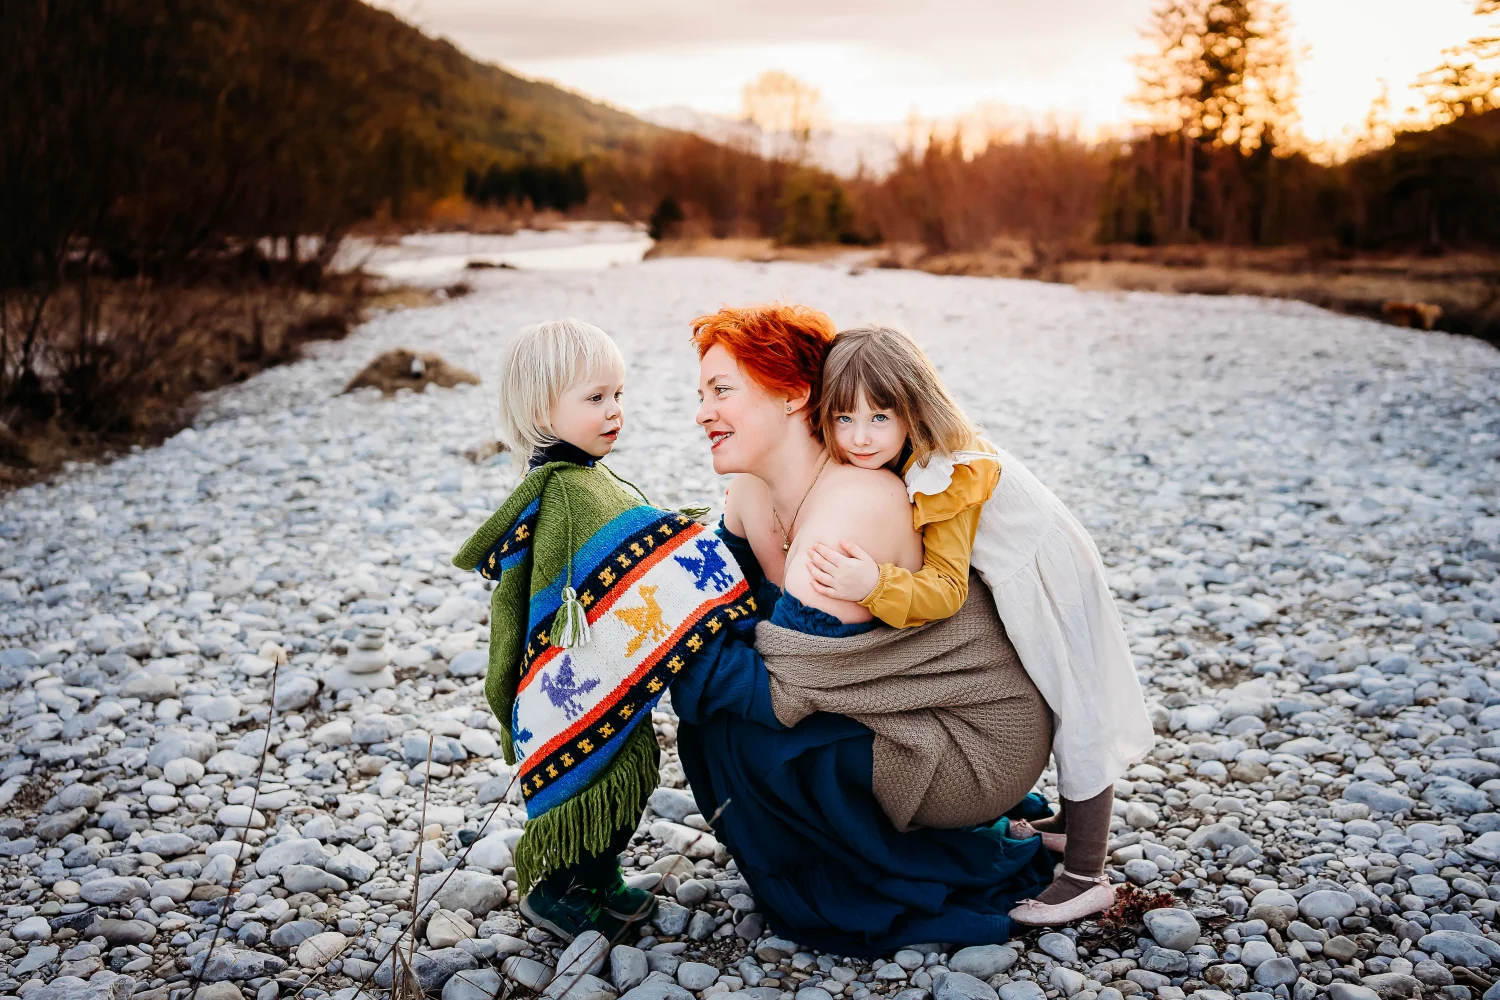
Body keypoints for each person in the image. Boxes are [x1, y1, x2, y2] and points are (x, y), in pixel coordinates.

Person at [673, 303, 1056, 954]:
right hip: (898, 710)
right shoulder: (750, 493)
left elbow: (780, 695)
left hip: (975, 741)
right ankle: (843, 853)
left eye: (722, 391)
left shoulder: (848, 512)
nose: (703, 412)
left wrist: (656, 654)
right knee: (717, 717)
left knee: (747, 737)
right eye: (700, 394)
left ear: (793, 395)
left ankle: (898, 878)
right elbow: (716, 604)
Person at [801, 324, 1155, 924]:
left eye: (879, 418)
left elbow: (943, 590)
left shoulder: (947, 473)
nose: (860, 438)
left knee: (1076, 703)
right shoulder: (911, 453)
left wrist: (873, 586)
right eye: (843, 419)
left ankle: (1087, 873)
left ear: (914, 407)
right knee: (1053, 689)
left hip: (1045, 572)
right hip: (1025, 564)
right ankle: (1067, 827)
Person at [452, 319, 752, 942]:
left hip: (599, 674)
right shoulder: (566, 492)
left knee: (625, 766)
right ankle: (559, 890)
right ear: (541, 409)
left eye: (618, 395)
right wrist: (697, 540)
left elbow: (629, 550)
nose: (614, 411)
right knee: (595, 772)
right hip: (578, 681)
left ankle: (601, 877)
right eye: (595, 398)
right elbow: (600, 570)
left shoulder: (584, 477)